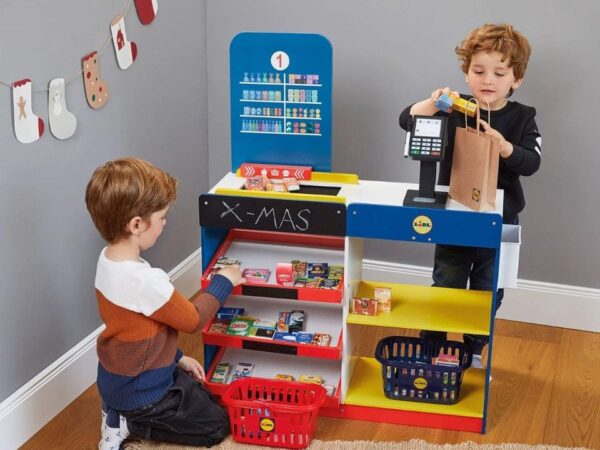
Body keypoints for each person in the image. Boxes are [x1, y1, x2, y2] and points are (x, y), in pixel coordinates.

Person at [399, 23, 541, 368]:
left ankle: (475, 349)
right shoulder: (455, 107)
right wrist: (432, 102)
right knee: (447, 282)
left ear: (516, 79)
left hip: (499, 220)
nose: (488, 80)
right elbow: (406, 120)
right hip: (455, 215)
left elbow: (532, 162)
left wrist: (505, 147)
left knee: (488, 288)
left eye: (499, 73)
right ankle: (432, 347)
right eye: (478, 71)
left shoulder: (524, 117)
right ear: (466, 73)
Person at [85, 157, 245, 449]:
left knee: (202, 394)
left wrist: (177, 357)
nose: (164, 223)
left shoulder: (107, 260)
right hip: (141, 392)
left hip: (117, 377)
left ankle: (117, 408)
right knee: (216, 426)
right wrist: (224, 281)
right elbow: (193, 319)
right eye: (161, 217)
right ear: (136, 224)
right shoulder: (146, 282)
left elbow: (138, 330)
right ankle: (128, 423)